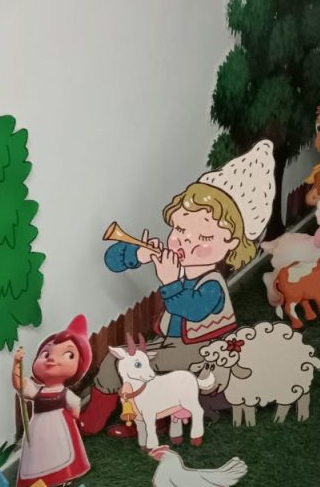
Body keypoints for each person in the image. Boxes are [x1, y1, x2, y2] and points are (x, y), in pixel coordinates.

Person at [80, 141, 275, 438]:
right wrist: (138, 254)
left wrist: (171, 281)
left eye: (204, 237)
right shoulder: (177, 263)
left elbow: (191, 310)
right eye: (181, 230)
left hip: (203, 350)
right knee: (113, 362)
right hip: (172, 344)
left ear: (232, 244)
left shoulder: (213, 285)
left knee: (140, 367)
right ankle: (91, 422)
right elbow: (112, 260)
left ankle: (151, 420)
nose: (187, 241)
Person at [11, 315, 93, 487]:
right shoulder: (37, 390)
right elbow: (19, 385)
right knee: (38, 453)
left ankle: (66, 476)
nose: (51, 359)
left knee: (62, 450)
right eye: (46, 354)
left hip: (60, 427)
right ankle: (36, 482)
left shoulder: (66, 393)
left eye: (68, 355)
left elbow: (75, 408)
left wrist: (73, 419)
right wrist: (16, 363)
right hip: (38, 427)